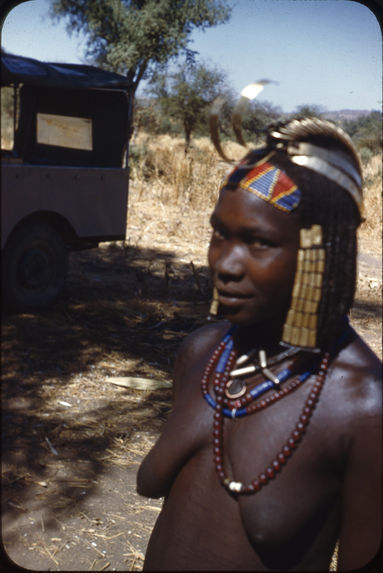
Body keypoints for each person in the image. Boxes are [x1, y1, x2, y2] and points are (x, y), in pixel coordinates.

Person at [136, 116, 381, 571]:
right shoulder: (203, 352)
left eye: (258, 241)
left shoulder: (364, 408)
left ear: (319, 251)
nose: (225, 264)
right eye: (219, 234)